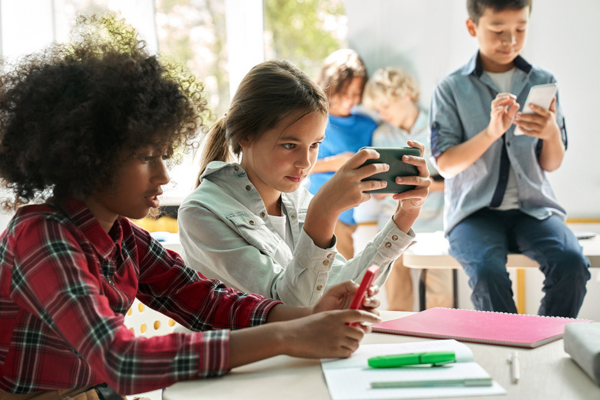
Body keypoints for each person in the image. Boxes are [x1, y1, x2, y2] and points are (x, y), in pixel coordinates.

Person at [0, 15, 383, 399]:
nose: (165, 176)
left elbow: (205, 300)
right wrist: (287, 334)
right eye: (147, 157)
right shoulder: (41, 235)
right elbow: (122, 361)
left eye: (164, 155)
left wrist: (308, 316)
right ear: (90, 158)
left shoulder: (124, 238)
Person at [178, 60, 432, 307]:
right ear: (245, 135)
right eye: (290, 145)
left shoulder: (297, 200)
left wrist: (405, 216)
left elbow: (340, 289)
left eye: (314, 145)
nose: (305, 162)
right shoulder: (201, 213)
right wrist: (323, 212)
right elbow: (291, 310)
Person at [430, 0, 590, 316]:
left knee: (572, 264)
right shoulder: (450, 89)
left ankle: (542, 347)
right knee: (488, 275)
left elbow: (551, 164)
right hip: (474, 212)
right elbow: (445, 165)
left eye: (520, 28)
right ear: (472, 27)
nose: (511, 40)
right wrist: (491, 132)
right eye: (498, 30)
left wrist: (551, 134)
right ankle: (506, 352)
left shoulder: (543, 81)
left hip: (534, 208)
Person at [362, 67, 453, 311]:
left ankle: (439, 341)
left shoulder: (439, 129)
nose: (382, 113)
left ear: (406, 95)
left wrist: (425, 185)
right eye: (378, 109)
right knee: (396, 294)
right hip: (392, 223)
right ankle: (399, 341)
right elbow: (378, 189)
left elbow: (455, 179)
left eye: (386, 106)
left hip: (435, 225)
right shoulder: (381, 135)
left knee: (441, 296)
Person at [307, 49, 377, 260]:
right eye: (344, 92)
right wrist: (336, 163)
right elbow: (297, 166)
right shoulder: (314, 119)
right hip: (317, 208)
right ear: (330, 85)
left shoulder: (367, 126)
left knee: (342, 279)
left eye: (356, 92)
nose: (350, 99)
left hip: (350, 214)